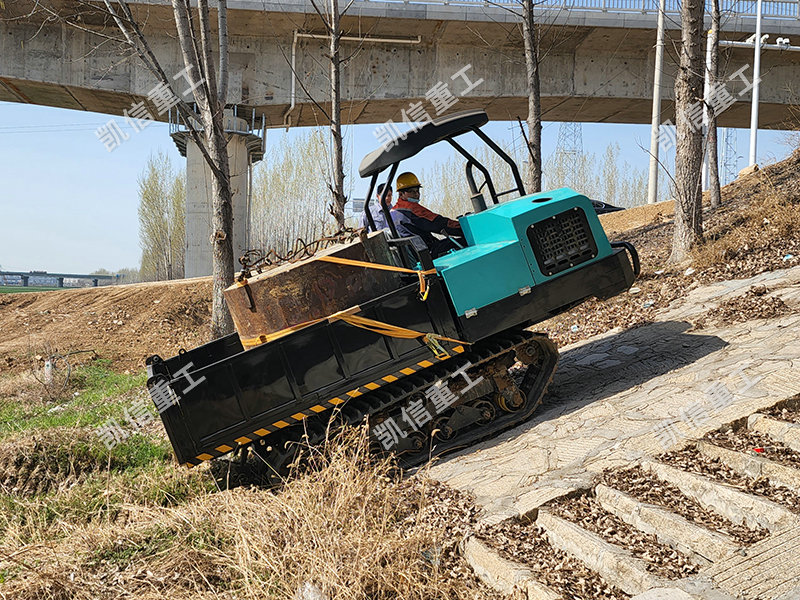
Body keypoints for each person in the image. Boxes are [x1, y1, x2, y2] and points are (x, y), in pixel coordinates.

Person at [392, 172, 464, 258]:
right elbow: (438, 223)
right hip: (426, 252)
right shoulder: (411, 209)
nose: (416, 195)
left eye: (417, 191)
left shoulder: (392, 212)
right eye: (412, 192)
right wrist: (464, 228)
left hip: (414, 254)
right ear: (401, 194)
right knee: (464, 242)